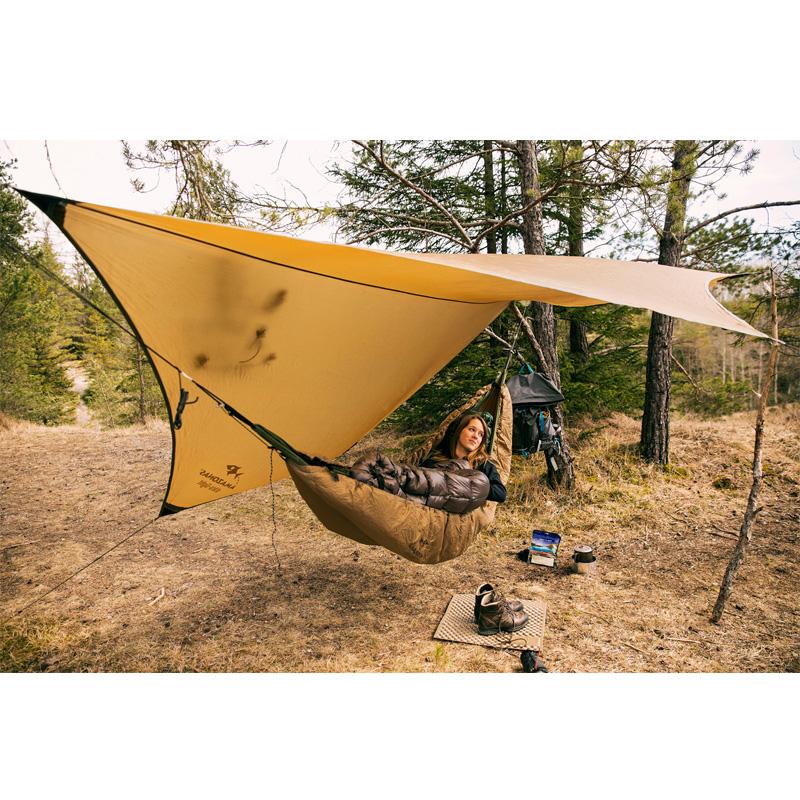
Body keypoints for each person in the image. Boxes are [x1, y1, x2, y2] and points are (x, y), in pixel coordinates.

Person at [423, 412, 507, 503]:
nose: (475, 436)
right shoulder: (437, 459)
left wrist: (468, 485)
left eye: (481, 434)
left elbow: (501, 494)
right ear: (459, 430)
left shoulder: (484, 465)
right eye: (472, 429)